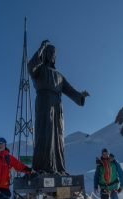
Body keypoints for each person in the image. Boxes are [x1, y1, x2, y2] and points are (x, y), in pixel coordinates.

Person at [28, 40, 90, 175]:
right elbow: (30, 66)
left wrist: (81, 96)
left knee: (58, 136)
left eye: (54, 53)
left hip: (57, 106)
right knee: (44, 134)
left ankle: (58, 168)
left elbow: (70, 91)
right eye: (49, 52)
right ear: (44, 54)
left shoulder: (60, 76)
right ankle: (43, 168)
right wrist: (41, 48)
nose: (52, 55)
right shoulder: (39, 70)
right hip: (44, 103)